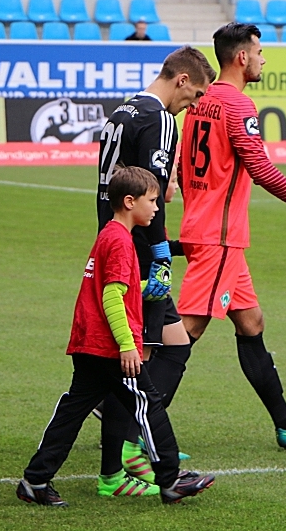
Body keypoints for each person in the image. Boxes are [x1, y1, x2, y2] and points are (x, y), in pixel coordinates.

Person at [177, 23, 286, 448]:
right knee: (185, 331)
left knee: (250, 322)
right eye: (260, 52)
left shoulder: (198, 100)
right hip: (219, 236)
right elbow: (260, 169)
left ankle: (285, 422)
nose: (264, 59)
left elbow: (181, 159)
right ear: (242, 57)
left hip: (208, 228)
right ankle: (131, 424)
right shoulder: (239, 104)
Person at [19, 166, 215, 507]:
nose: (156, 209)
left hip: (89, 341)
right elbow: (111, 297)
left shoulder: (109, 235)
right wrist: (127, 345)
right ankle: (170, 478)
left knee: (73, 409)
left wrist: (144, 290)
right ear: (129, 202)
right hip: (109, 346)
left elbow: (114, 290)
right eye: (152, 201)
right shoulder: (121, 242)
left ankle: (35, 480)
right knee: (147, 402)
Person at [95, 46, 215, 492]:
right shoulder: (160, 119)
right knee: (136, 362)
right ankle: (123, 455)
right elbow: (150, 196)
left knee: (175, 343)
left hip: (116, 242)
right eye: (196, 93)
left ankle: (131, 437)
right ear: (181, 80)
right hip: (139, 256)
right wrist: (163, 253)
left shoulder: (123, 111)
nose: (196, 104)